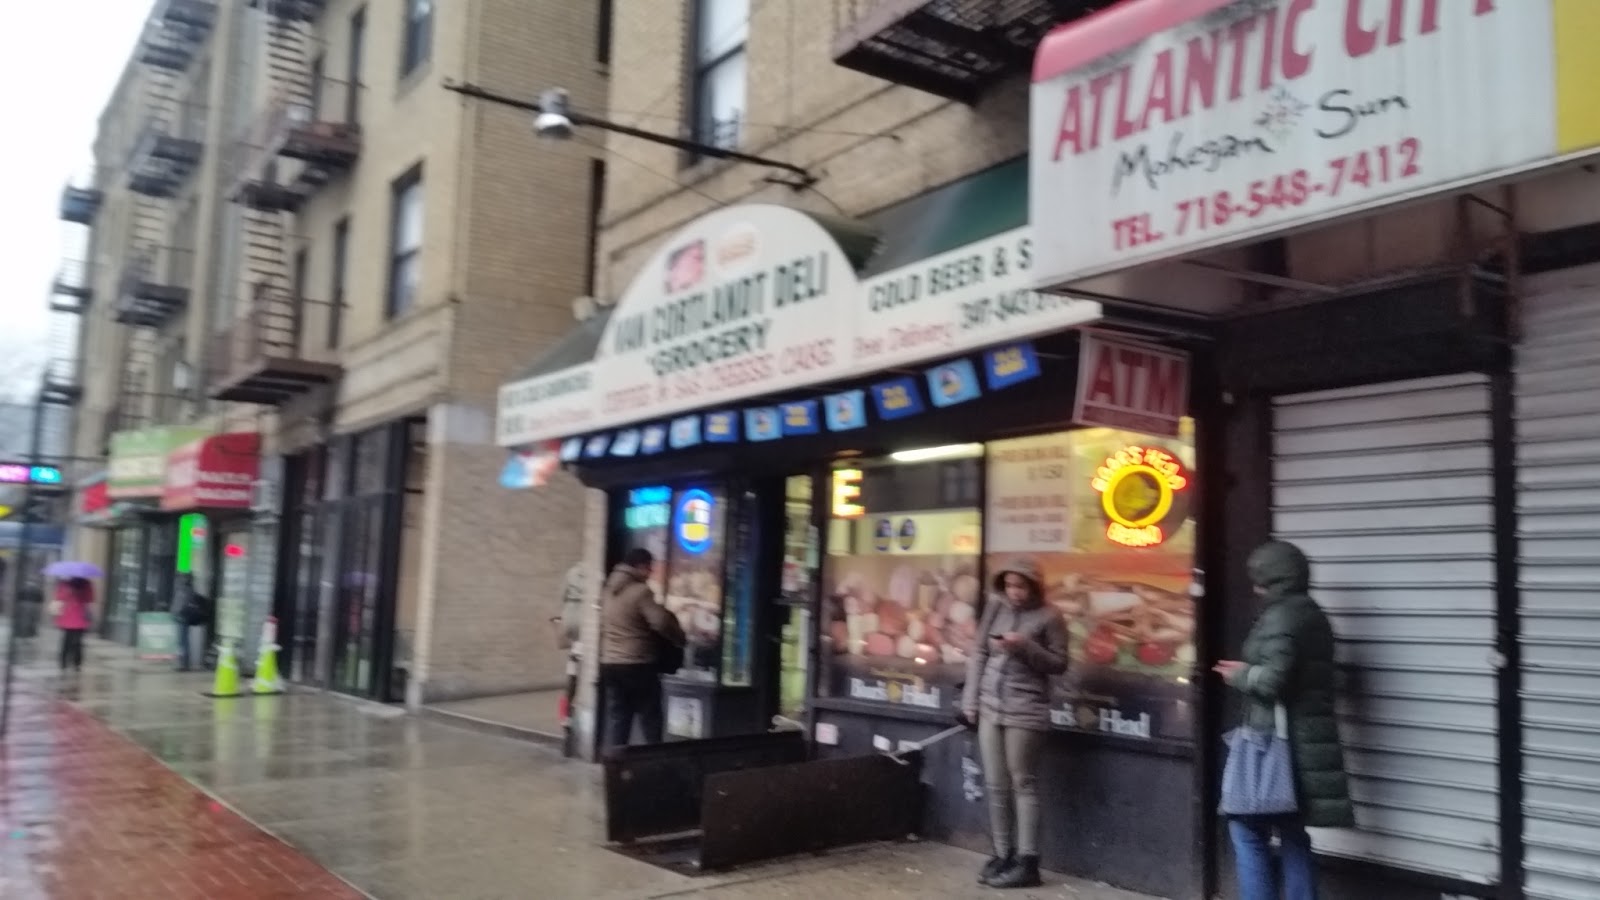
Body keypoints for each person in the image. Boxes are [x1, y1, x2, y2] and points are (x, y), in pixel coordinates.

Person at [1214, 540, 1354, 900]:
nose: (1255, 588)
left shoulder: (1282, 616)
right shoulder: (1313, 613)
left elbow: (1275, 680)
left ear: (1274, 579)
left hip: (1278, 743)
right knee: (1292, 832)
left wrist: (1241, 675)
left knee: (1246, 827)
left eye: (1260, 579)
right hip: (1307, 742)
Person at [960, 558, 1070, 889]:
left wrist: (1025, 647)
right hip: (991, 706)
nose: (1014, 592)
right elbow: (979, 652)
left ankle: (1028, 861)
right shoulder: (996, 607)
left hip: (1026, 709)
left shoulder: (1051, 617)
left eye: (1020, 586)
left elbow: (1059, 664)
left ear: (1034, 586)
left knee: (1023, 782)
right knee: (995, 783)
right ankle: (1002, 852)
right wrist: (970, 698)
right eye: (1009, 585)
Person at [599, 547, 684, 749]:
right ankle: (653, 766)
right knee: (650, 719)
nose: (650, 573)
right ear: (640, 567)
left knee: (619, 720)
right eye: (649, 568)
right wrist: (679, 638)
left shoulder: (607, 590)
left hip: (610, 664)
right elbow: (660, 622)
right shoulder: (641, 592)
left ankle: (616, 770)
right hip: (637, 664)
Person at [54, 577, 94, 672]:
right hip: (79, 617)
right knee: (77, 642)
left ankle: (64, 662)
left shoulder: (65, 583)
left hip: (69, 616)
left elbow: (60, 597)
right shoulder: (86, 584)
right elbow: (90, 599)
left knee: (66, 641)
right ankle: (76, 663)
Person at [170, 573, 209, 672]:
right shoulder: (188, 590)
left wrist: (175, 614)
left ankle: (184, 664)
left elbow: (180, 605)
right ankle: (183, 663)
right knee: (183, 642)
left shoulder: (184, 590)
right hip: (183, 618)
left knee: (183, 642)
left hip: (182, 618)